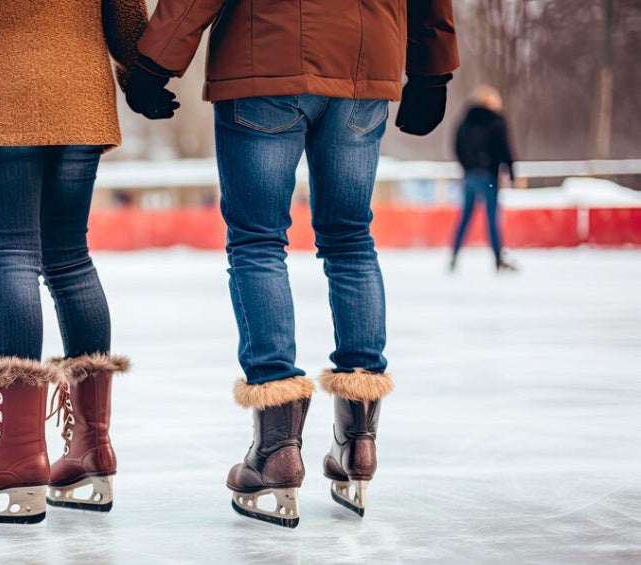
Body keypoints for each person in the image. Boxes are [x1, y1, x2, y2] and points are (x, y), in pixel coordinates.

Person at [126, 0, 458, 526]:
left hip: (265, 54)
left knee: (257, 242)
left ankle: (277, 448)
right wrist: (433, 68)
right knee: (350, 239)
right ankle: (358, 442)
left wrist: (155, 62)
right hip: (362, 61)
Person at [0, 0, 167, 523]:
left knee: (10, 255)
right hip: (80, 97)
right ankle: (92, 449)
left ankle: (14, 454)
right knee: (70, 259)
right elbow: (126, 10)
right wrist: (141, 74)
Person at [451, 85, 518, 272]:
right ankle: (497, 258)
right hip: (489, 174)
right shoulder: (497, 121)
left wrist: (467, 167)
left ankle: (454, 255)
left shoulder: (466, 120)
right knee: (491, 218)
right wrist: (511, 171)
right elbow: (505, 149)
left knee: (465, 217)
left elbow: (457, 146)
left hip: (471, 176)